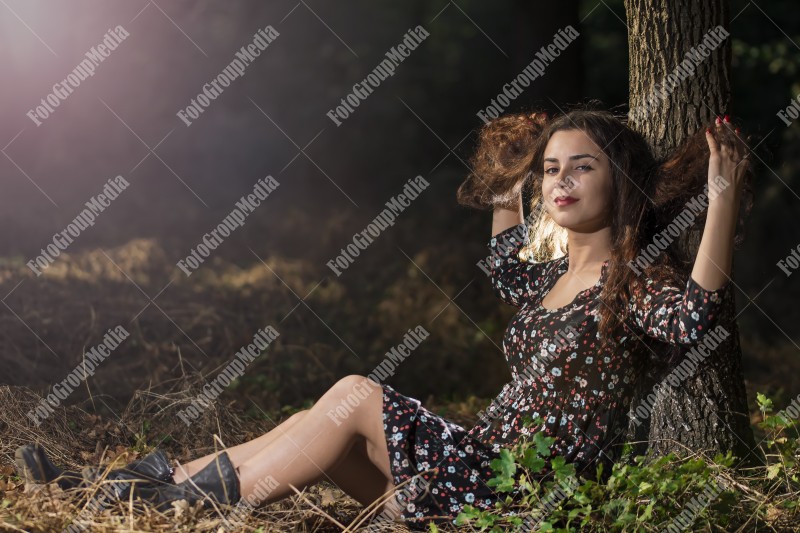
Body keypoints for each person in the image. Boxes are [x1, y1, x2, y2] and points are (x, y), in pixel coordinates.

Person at [16, 106, 752, 529]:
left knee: (355, 392)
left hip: (522, 499)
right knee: (324, 424)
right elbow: (501, 262)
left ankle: (174, 501)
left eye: (580, 165)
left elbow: (698, 317)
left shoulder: (635, 285)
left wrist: (722, 196)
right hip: (472, 469)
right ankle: (134, 484)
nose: (559, 179)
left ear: (620, 181)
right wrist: (506, 177)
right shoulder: (550, 277)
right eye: (552, 167)